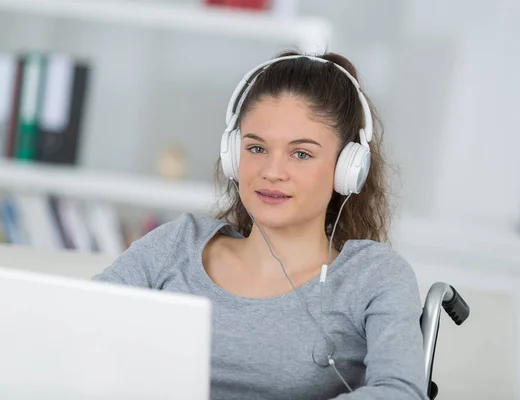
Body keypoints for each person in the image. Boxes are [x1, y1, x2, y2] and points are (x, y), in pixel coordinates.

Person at [93, 50, 428, 400]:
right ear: (233, 156)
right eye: (256, 148)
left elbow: (400, 392)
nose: (271, 171)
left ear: (348, 170)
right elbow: (77, 328)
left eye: (301, 153)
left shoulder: (371, 275)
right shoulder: (177, 244)